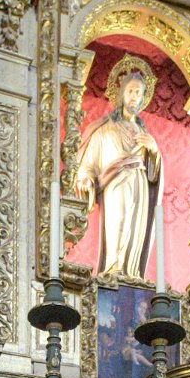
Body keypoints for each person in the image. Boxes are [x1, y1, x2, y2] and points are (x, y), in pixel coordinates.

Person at [75, 55, 163, 279]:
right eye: (131, 91)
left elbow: (154, 174)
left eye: (139, 93)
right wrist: (85, 177)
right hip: (116, 184)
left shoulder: (145, 135)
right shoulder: (106, 129)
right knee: (118, 226)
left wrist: (154, 151)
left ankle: (132, 273)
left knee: (135, 231)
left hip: (139, 184)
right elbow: (89, 161)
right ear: (122, 93)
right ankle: (113, 269)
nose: (134, 97)